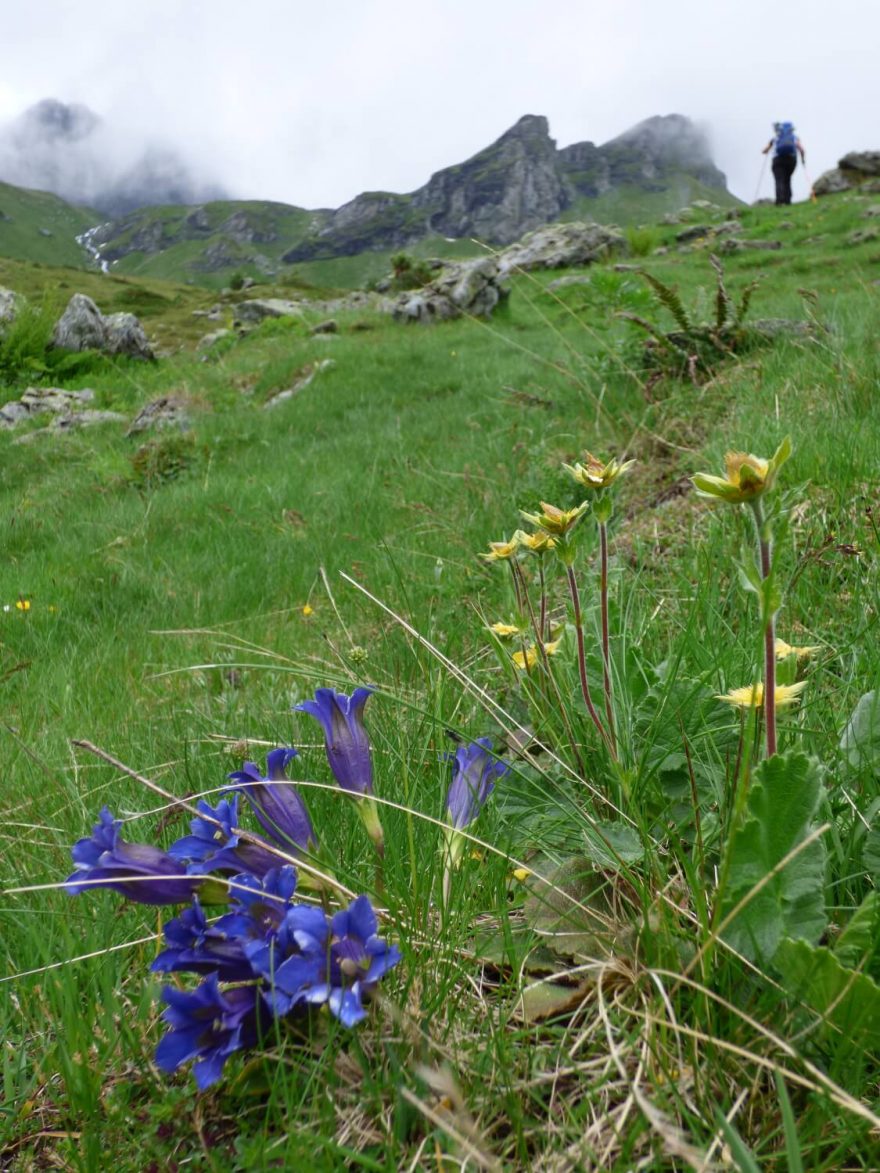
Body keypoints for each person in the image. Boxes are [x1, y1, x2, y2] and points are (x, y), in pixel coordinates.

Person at [762, 122, 806, 206]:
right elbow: (802, 150)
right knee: (787, 179)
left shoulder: (775, 138)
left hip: (778, 160)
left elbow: (764, 150)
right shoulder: (794, 137)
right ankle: (787, 200)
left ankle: (780, 201)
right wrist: (803, 160)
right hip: (791, 160)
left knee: (779, 180)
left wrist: (766, 151)